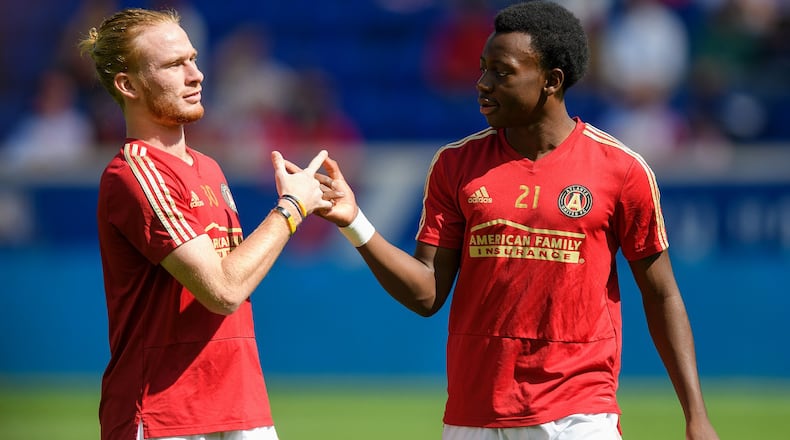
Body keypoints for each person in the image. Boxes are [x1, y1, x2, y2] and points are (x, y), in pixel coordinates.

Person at [308, 1, 720, 439]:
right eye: (483, 69)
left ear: (551, 81)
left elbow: (661, 296)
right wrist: (355, 222)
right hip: (473, 416)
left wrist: (696, 415)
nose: (483, 84)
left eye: (501, 72)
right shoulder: (455, 165)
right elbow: (427, 294)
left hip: (577, 416)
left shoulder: (621, 169)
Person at [78, 8, 331, 440]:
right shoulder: (136, 173)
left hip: (240, 406)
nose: (196, 75)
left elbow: (234, 279)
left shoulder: (209, 167)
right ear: (128, 84)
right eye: (174, 64)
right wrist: (291, 208)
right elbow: (223, 291)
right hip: (165, 415)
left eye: (193, 59)